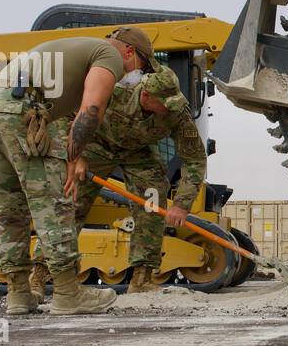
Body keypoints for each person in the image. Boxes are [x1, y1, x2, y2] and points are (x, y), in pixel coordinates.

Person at [0, 27, 157, 315]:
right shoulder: (109, 55)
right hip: (20, 109)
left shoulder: (73, 48)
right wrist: (74, 156)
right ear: (130, 52)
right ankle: (68, 293)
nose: (135, 77)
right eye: (140, 69)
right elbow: (92, 108)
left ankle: (18, 293)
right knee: (53, 202)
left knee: (7, 205)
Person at [30, 64, 206, 294]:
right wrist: (76, 155)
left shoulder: (176, 111)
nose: (168, 109)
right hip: (94, 144)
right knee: (69, 205)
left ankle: (142, 279)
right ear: (145, 95)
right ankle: (39, 275)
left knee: (151, 204)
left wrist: (182, 204)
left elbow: (194, 159)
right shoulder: (114, 89)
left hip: (137, 151)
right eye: (164, 104)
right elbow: (65, 118)